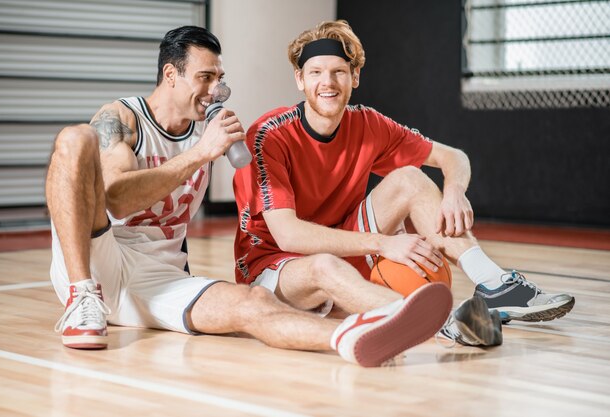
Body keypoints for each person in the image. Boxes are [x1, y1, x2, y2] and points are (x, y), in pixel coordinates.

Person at [46, 25, 454, 368]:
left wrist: (207, 146)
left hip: (159, 276)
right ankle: (81, 299)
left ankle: (353, 337)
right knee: (74, 137)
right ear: (171, 75)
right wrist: (201, 153)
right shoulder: (121, 119)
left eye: (219, 78)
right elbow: (117, 199)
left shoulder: (202, 130)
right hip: (102, 256)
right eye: (205, 77)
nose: (216, 89)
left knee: (252, 303)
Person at [232, 20, 574, 347]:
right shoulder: (268, 136)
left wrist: (454, 192)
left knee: (410, 179)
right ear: (299, 79)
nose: (328, 82)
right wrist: (383, 244)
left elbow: (453, 157)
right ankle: (451, 324)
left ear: (355, 77)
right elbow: (288, 235)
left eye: (338, 71)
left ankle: (495, 284)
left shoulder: (368, 123)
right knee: (325, 266)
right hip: (273, 266)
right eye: (316, 72)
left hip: (342, 240)